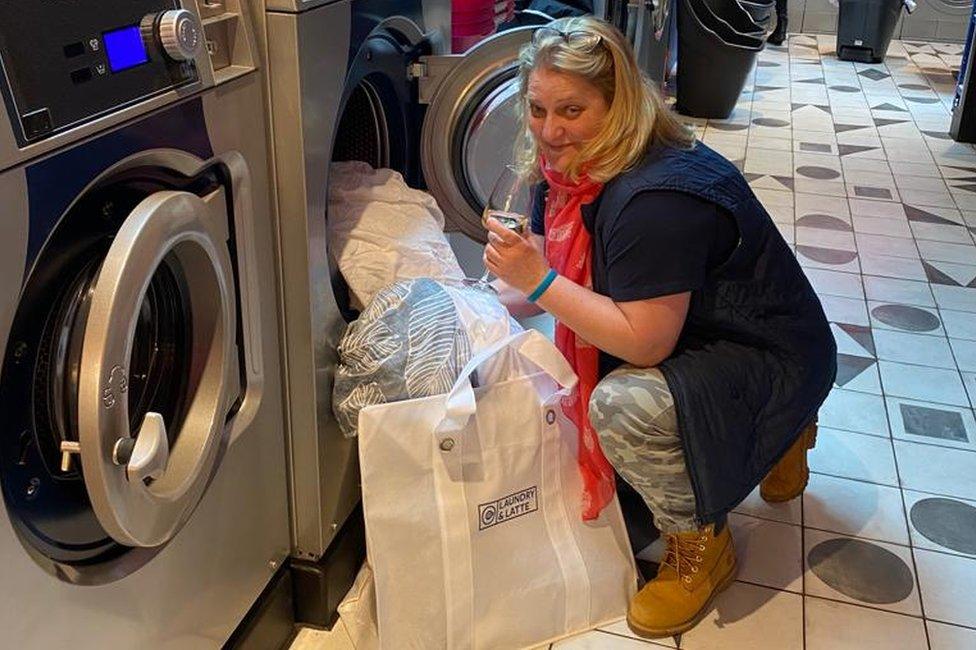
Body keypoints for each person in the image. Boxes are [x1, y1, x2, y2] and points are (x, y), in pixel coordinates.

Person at [485, 15, 835, 639]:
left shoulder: (655, 200)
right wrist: (466, 302)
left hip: (768, 352)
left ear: (616, 104)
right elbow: (538, 274)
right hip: (703, 330)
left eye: (571, 109)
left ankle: (705, 543)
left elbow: (644, 341)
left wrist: (538, 281)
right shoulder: (572, 169)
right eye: (537, 109)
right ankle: (776, 434)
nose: (549, 129)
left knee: (622, 407)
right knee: (615, 434)